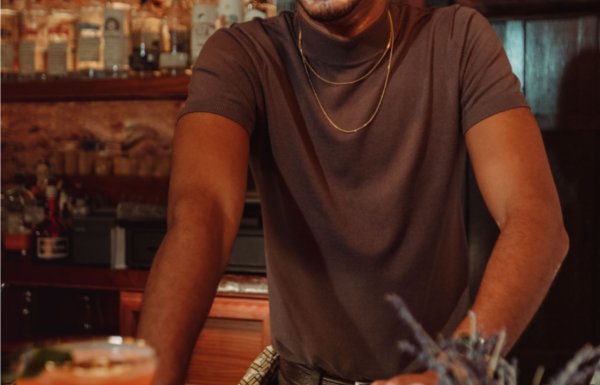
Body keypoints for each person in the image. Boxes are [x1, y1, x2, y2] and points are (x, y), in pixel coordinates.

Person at [137, 0, 569, 384]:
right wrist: (152, 376)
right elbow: (202, 216)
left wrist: (454, 370)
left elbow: (536, 219)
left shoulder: (457, 38)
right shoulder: (242, 55)